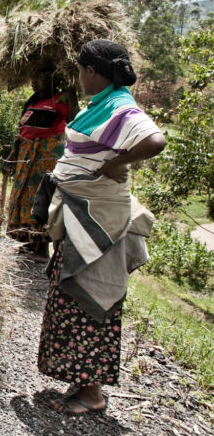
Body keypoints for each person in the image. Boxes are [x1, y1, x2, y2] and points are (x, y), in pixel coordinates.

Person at [36, 39, 165, 415]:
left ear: (92, 71)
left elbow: (154, 140)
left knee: (89, 298)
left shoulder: (122, 107)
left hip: (99, 223)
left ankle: (92, 394)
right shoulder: (102, 106)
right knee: (73, 295)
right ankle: (82, 383)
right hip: (81, 215)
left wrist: (115, 163)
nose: (78, 78)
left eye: (80, 71)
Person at [4, 74, 78, 258]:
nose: (35, 82)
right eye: (34, 79)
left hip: (44, 159)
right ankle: (30, 242)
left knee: (41, 198)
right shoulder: (33, 102)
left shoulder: (60, 99)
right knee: (24, 199)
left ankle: (42, 247)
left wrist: (72, 97)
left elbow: (75, 122)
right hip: (26, 158)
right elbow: (24, 131)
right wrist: (11, 156)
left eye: (41, 78)